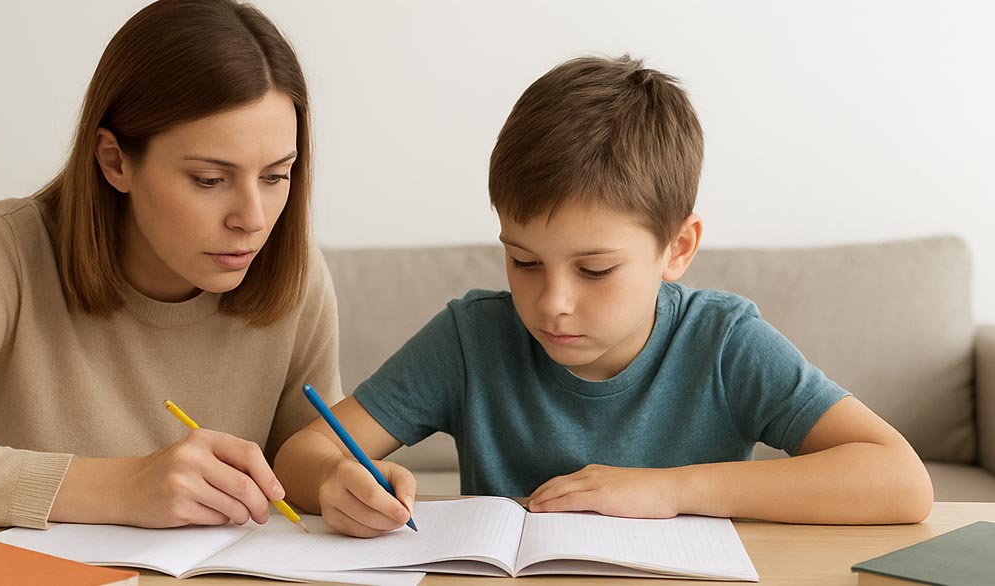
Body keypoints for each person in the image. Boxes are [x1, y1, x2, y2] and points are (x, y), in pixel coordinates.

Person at [274, 55, 933, 538]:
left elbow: (900, 481)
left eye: (593, 270)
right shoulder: (471, 339)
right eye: (523, 261)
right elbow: (306, 452)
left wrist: (671, 490)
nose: (551, 302)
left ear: (676, 248)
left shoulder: (723, 342)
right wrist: (339, 483)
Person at [0, 0, 340, 530]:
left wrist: (337, 479)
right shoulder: (5, 250)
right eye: (209, 179)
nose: (252, 219)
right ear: (115, 161)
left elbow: (304, 455)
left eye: (276, 176)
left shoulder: (296, 273)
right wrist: (126, 487)